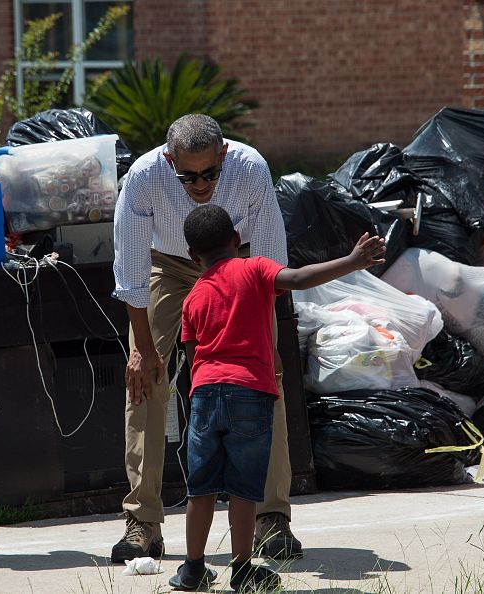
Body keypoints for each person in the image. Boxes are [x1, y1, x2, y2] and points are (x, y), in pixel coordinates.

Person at [111, 114, 302, 562]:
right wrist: (142, 350)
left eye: (210, 173)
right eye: (188, 175)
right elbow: (132, 273)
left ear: (224, 155)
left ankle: (271, 517)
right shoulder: (142, 177)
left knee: (261, 379)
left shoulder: (251, 168)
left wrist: (266, 343)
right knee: (144, 382)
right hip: (169, 264)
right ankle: (143, 522)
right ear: (168, 159)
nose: (200, 184)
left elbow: (273, 261)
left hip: (241, 265)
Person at [169, 205, 385, 591]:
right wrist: (352, 261)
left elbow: (190, 355)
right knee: (244, 486)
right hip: (250, 393)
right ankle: (241, 568)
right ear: (237, 240)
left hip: (205, 395)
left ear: (191, 256)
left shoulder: (192, 299)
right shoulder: (254, 268)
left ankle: (193, 568)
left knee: (200, 489)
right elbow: (299, 278)